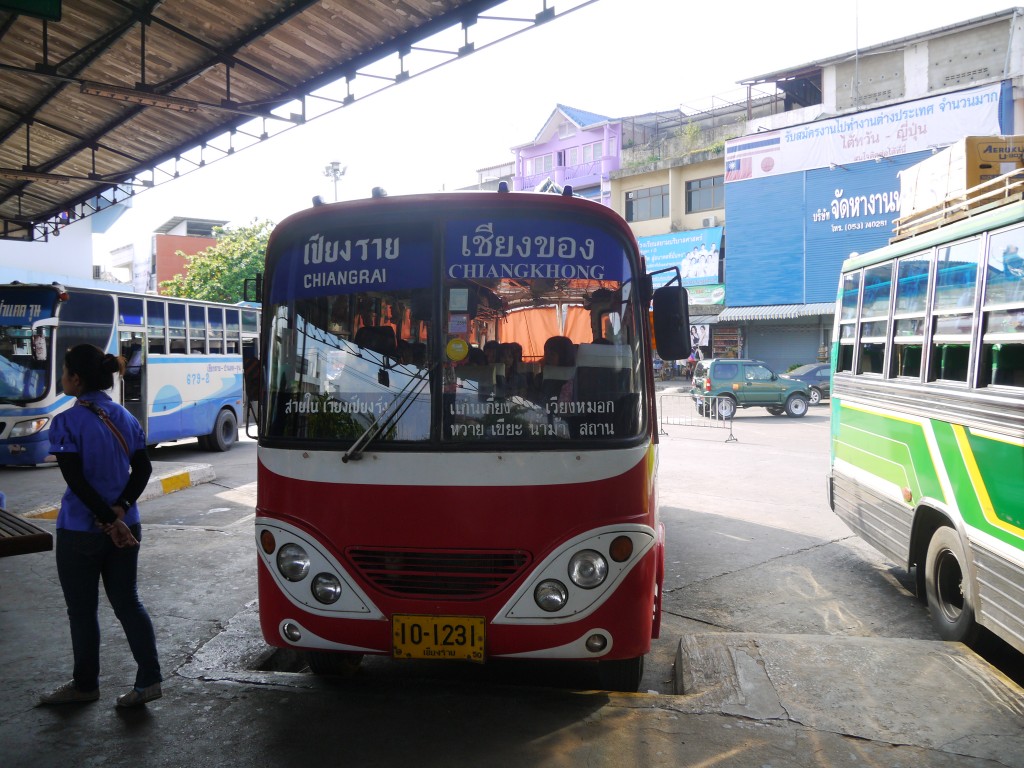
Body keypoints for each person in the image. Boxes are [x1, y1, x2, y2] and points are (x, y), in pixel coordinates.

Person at [37, 344, 162, 709]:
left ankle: (86, 685)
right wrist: (120, 514)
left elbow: (76, 480)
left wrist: (106, 520)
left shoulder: (65, 421)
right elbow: (143, 470)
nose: (62, 379)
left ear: (76, 379)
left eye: (64, 373)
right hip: (127, 526)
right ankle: (149, 680)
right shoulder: (125, 417)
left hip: (80, 530)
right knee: (128, 603)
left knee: (82, 611)